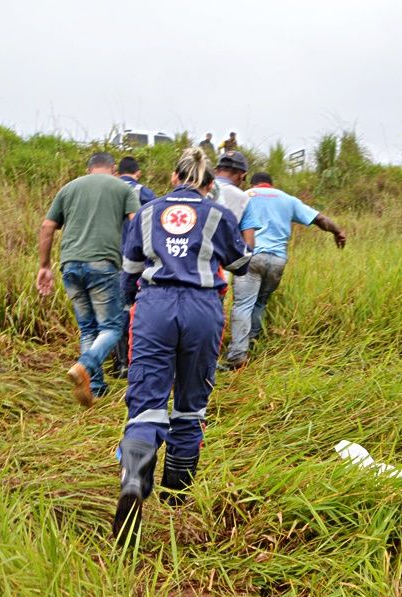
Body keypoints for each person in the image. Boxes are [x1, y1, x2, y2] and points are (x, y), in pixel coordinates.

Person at [113, 148, 252, 544]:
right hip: (203, 310)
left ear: (174, 177)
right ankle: (177, 500)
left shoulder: (146, 212)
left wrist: (131, 308)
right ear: (208, 183)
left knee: (146, 404)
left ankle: (135, 477)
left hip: (154, 308)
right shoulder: (218, 214)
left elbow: (129, 273)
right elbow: (240, 265)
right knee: (191, 404)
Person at [37, 152, 140, 406]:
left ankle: (94, 385)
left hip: (70, 265)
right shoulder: (123, 188)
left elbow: (47, 227)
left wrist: (44, 266)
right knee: (112, 327)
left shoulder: (69, 188)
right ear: (114, 169)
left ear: (89, 168)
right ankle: (86, 365)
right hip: (103, 265)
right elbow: (137, 225)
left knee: (88, 328)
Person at [220, 172, 347, 371]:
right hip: (277, 261)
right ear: (271, 185)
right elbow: (320, 219)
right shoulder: (288, 199)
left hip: (252, 258)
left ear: (252, 183)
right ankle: (250, 346)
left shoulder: (244, 196)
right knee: (260, 303)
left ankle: (237, 356)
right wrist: (338, 232)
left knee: (243, 305)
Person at [111, 156, 157, 379]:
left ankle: (117, 363)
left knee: (113, 311)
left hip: (107, 257)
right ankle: (133, 361)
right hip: (135, 259)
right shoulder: (143, 192)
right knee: (133, 309)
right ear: (137, 172)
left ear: (118, 171)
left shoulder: (107, 188)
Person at [210, 150, 259, 247]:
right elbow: (249, 243)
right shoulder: (243, 198)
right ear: (242, 176)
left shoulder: (198, 189)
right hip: (223, 258)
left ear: (216, 171)